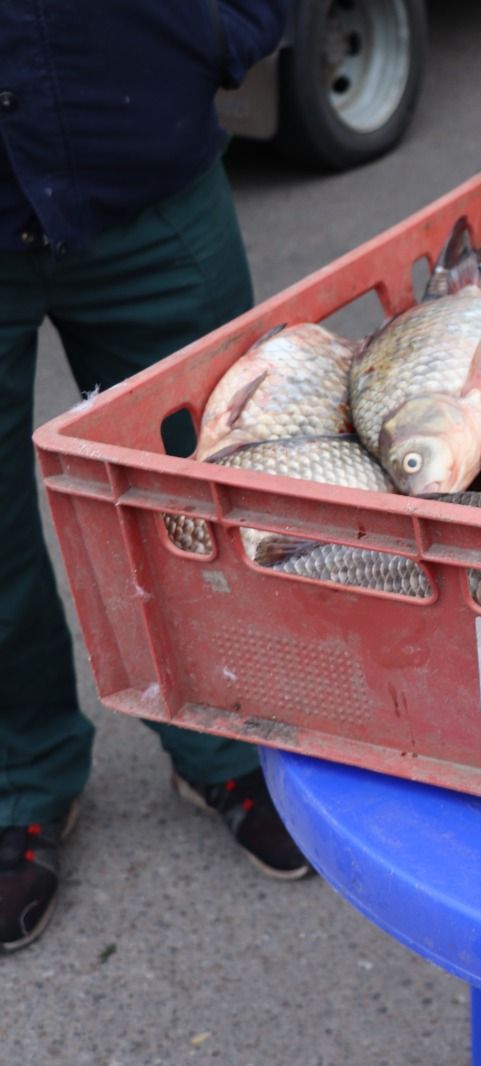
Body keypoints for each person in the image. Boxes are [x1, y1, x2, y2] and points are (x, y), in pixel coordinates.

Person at [0, 1, 307, 953]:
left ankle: (224, 743)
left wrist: (216, 31)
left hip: (149, 181)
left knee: (205, 497)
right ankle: (26, 779)